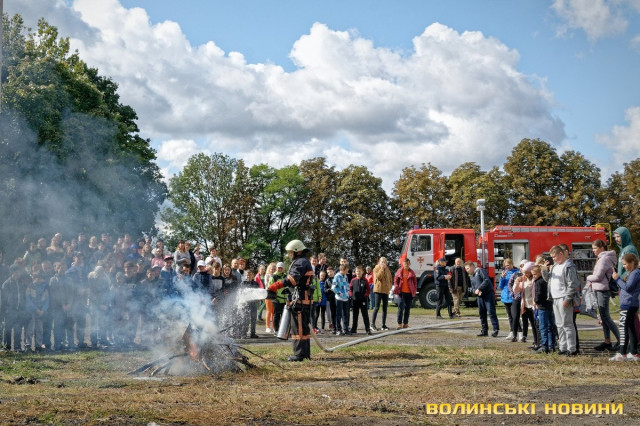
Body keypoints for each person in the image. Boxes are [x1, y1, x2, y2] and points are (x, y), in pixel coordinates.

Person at [267, 239, 315, 361]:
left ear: (297, 251)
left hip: (300, 300)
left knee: (298, 328)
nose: (289, 255)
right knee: (303, 328)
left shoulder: (300, 262)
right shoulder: (303, 261)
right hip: (302, 298)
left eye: (290, 252)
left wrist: (276, 286)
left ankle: (299, 355)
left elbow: (292, 279)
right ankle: (305, 354)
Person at [586, 239, 620, 352]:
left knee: (605, 317)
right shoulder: (603, 258)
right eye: (593, 248)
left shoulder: (604, 259)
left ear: (601, 248)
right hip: (600, 289)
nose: (593, 250)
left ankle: (621, 340)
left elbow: (598, 277)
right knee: (603, 317)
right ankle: (607, 341)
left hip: (602, 290)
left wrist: (588, 277)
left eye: (595, 248)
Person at [548, 245, 580, 356]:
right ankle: (563, 347)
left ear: (561, 254)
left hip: (563, 297)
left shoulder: (568, 266)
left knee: (567, 324)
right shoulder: (554, 266)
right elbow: (549, 280)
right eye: (552, 257)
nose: (553, 259)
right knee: (559, 324)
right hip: (555, 298)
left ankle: (572, 349)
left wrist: (567, 299)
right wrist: (544, 272)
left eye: (554, 257)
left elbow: (572, 284)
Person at [609, 253, 640, 361]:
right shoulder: (632, 273)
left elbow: (628, 287)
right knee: (631, 328)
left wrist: (617, 279)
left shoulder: (635, 273)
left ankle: (622, 353)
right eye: (623, 264)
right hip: (630, 304)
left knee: (623, 328)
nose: (624, 266)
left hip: (628, 304)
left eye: (625, 264)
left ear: (632, 263)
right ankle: (633, 352)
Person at [464, 261, 499, 337]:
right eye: (466, 269)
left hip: (488, 295)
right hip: (480, 296)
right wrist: (475, 291)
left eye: (468, 268)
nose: (467, 270)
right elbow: (473, 288)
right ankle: (484, 330)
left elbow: (486, 280)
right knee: (482, 314)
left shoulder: (480, 271)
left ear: (472, 266)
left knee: (491, 312)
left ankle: (495, 329)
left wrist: (479, 289)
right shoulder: (471, 276)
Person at [533, 265, 554, 353]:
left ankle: (544, 346)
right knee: (549, 326)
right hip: (549, 305)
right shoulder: (546, 280)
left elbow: (538, 294)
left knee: (542, 327)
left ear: (539, 273)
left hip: (542, 306)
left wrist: (536, 302)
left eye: (534, 274)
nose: (533, 276)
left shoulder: (538, 282)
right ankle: (551, 345)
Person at [393, 258, 417, 329]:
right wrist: (396, 286)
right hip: (401, 293)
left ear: (409, 264)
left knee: (407, 309)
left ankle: (405, 324)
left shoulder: (412, 272)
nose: (406, 265)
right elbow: (395, 280)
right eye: (405, 263)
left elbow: (415, 283)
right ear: (403, 264)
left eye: (407, 263)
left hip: (409, 293)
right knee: (400, 308)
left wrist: (414, 291)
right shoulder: (399, 271)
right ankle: (399, 324)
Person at [499, 258, 519, 340]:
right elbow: (500, 286)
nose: (507, 267)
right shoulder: (504, 273)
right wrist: (502, 278)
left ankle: (519, 332)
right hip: (505, 296)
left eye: (508, 265)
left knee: (515, 316)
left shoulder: (517, 272)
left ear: (512, 264)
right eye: (505, 265)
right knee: (510, 316)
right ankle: (511, 331)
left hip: (513, 296)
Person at [371, 257, 392, 331]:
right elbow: (378, 277)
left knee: (385, 308)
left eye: (385, 262)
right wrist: (382, 269)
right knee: (377, 307)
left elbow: (390, 279)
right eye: (382, 262)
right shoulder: (376, 269)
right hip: (378, 290)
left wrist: (389, 287)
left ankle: (383, 325)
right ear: (379, 262)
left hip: (385, 291)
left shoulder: (388, 270)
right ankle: (372, 324)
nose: (383, 263)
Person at [349, 265, 372, 335]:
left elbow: (368, 289)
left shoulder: (365, 280)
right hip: (355, 300)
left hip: (363, 300)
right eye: (357, 271)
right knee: (355, 315)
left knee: (365, 315)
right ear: (355, 272)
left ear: (362, 272)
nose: (358, 272)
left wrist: (365, 295)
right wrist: (351, 295)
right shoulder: (353, 280)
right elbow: (350, 289)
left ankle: (367, 329)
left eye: (359, 271)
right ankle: (354, 329)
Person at [240, 269, 260, 339]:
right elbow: (241, 293)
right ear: (245, 275)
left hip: (253, 303)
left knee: (253, 319)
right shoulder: (243, 283)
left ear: (252, 275)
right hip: (245, 304)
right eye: (247, 275)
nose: (249, 276)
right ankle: (243, 333)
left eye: (250, 275)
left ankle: (253, 333)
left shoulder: (256, 284)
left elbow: (258, 293)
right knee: (245, 319)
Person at [332, 264, 351, 336]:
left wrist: (347, 293)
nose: (347, 272)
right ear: (343, 270)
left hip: (345, 298)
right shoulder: (337, 276)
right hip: (339, 298)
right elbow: (333, 287)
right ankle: (338, 329)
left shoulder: (345, 276)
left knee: (345, 314)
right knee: (339, 314)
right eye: (346, 270)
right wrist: (340, 293)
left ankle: (345, 329)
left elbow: (347, 285)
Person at [263, 263, 276, 334]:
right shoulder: (267, 275)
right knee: (269, 311)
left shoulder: (276, 275)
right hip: (268, 294)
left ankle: (274, 327)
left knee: (274, 312)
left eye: (274, 269)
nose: (273, 270)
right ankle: (267, 327)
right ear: (269, 269)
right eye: (272, 269)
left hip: (275, 294)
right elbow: (266, 284)